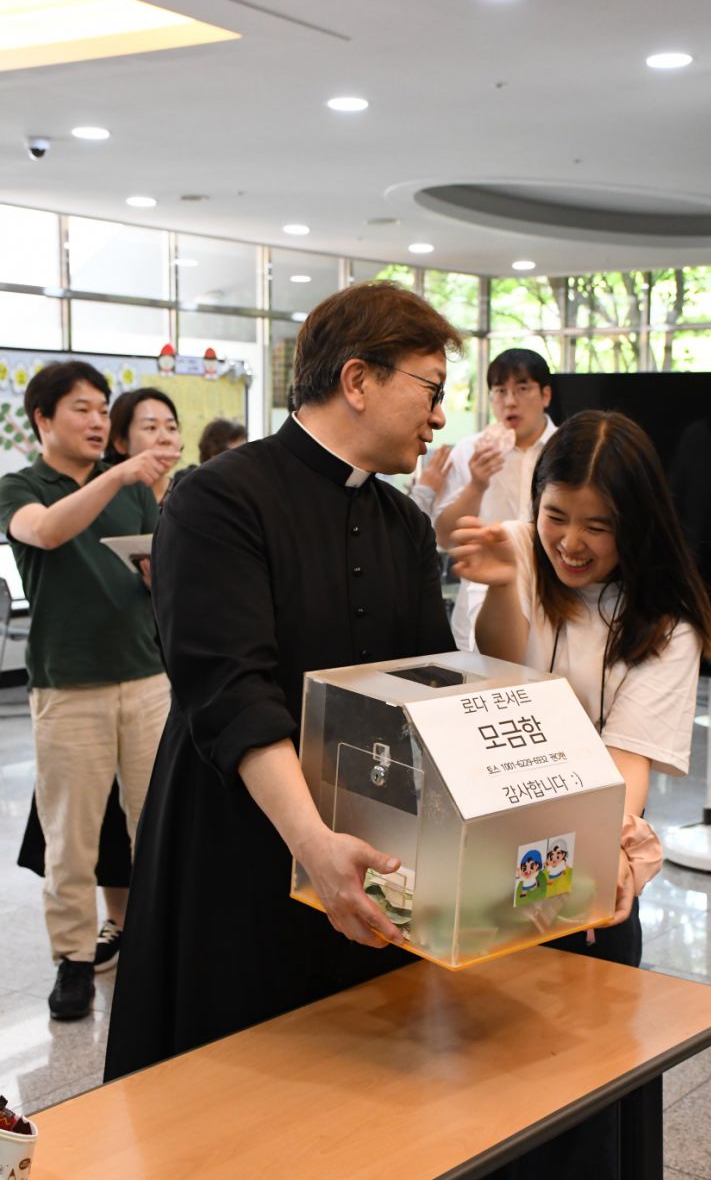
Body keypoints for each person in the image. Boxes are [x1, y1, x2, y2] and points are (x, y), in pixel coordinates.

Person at [104, 280, 462, 1081]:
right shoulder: (218, 499)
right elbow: (231, 691)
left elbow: (430, 687)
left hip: (364, 842)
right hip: (237, 835)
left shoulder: (405, 523)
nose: (439, 417)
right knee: (233, 1074)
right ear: (358, 380)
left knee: (364, 1074)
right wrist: (310, 841)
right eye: (431, 390)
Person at [451, 409, 711, 1178]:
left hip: (581, 878)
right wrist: (505, 586)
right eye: (556, 515)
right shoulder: (515, 552)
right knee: (481, 1099)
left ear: (636, 524)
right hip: (484, 869)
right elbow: (497, 676)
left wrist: (590, 860)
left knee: (578, 1104)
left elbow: (625, 763)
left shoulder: (666, 626)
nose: (570, 542)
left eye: (598, 526)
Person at [0, 361, 174, 1020]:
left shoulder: (134, 490)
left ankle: (152, 941)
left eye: (104, 409)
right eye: (82, 408)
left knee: (153, 823)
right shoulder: (21, 486)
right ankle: (73, 960)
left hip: (147, 677)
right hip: (68, 686)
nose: (99, 420)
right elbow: (45, 531)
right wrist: (120, 476)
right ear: (43, 419)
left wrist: (158, 577)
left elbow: (157, 572)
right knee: (71, 836)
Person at [433, 348, 557, 649]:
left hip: (553, 596)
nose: (510, 401)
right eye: (500, 391)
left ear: (545, 395)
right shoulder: (469, 451)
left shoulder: (567, 449)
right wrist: (477, 484)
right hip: (480, 599)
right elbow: (445, 537)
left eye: (522, 389)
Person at [104, 387, 183, 505]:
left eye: (171, 428)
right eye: (151, 428)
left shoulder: (190, 493)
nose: (165, 439)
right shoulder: (102, 498)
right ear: (121, 443)